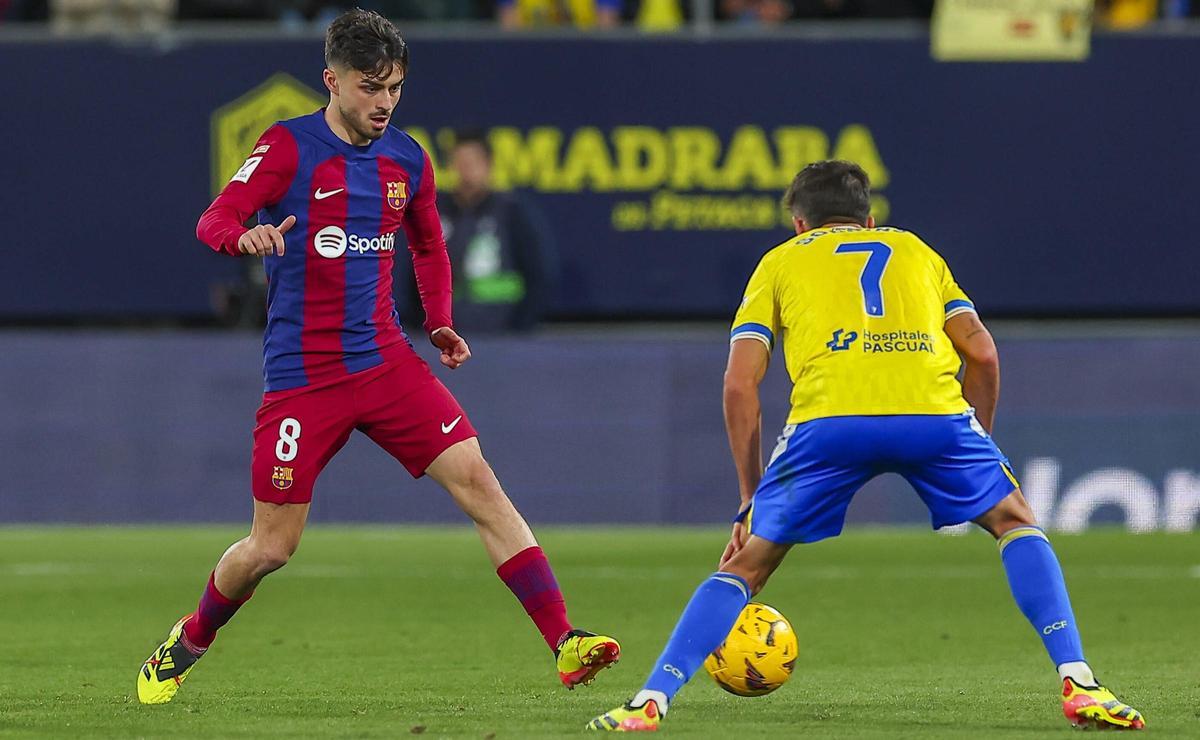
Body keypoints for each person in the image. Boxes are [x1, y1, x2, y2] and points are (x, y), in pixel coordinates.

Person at [137, 8, 619, 706]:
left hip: (386, 362)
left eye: (394, 86)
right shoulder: (285, 148)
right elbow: (215, 216)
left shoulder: (408, 159)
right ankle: (192, 637)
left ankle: (566, 642)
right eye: (370, 87)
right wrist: (240, 239)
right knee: (270, 548)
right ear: (331, 81)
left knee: (481, 484)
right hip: (304, 379)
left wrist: (442, 322)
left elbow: (427, 245)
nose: (385, 102)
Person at [586, 161, 1144, 732]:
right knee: (1015, 521)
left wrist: (749, 497)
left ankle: (651, 700)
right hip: (932, 414)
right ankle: (1080, 680)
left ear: (799, 223)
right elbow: (982, 353)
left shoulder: (779, 262)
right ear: (869, 219)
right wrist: (977, 441)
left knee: (748, 566)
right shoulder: (916, 251)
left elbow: (738, 383)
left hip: (829, 422)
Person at [400, 129, 553, 334]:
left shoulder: (512, 212)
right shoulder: (435, 211)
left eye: (473, 162)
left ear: (488, 164)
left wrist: (520, 329)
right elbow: (413, 272)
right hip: (446, 336)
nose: (467, 170)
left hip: (502, 334)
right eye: (461, 162)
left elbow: (539, 274)